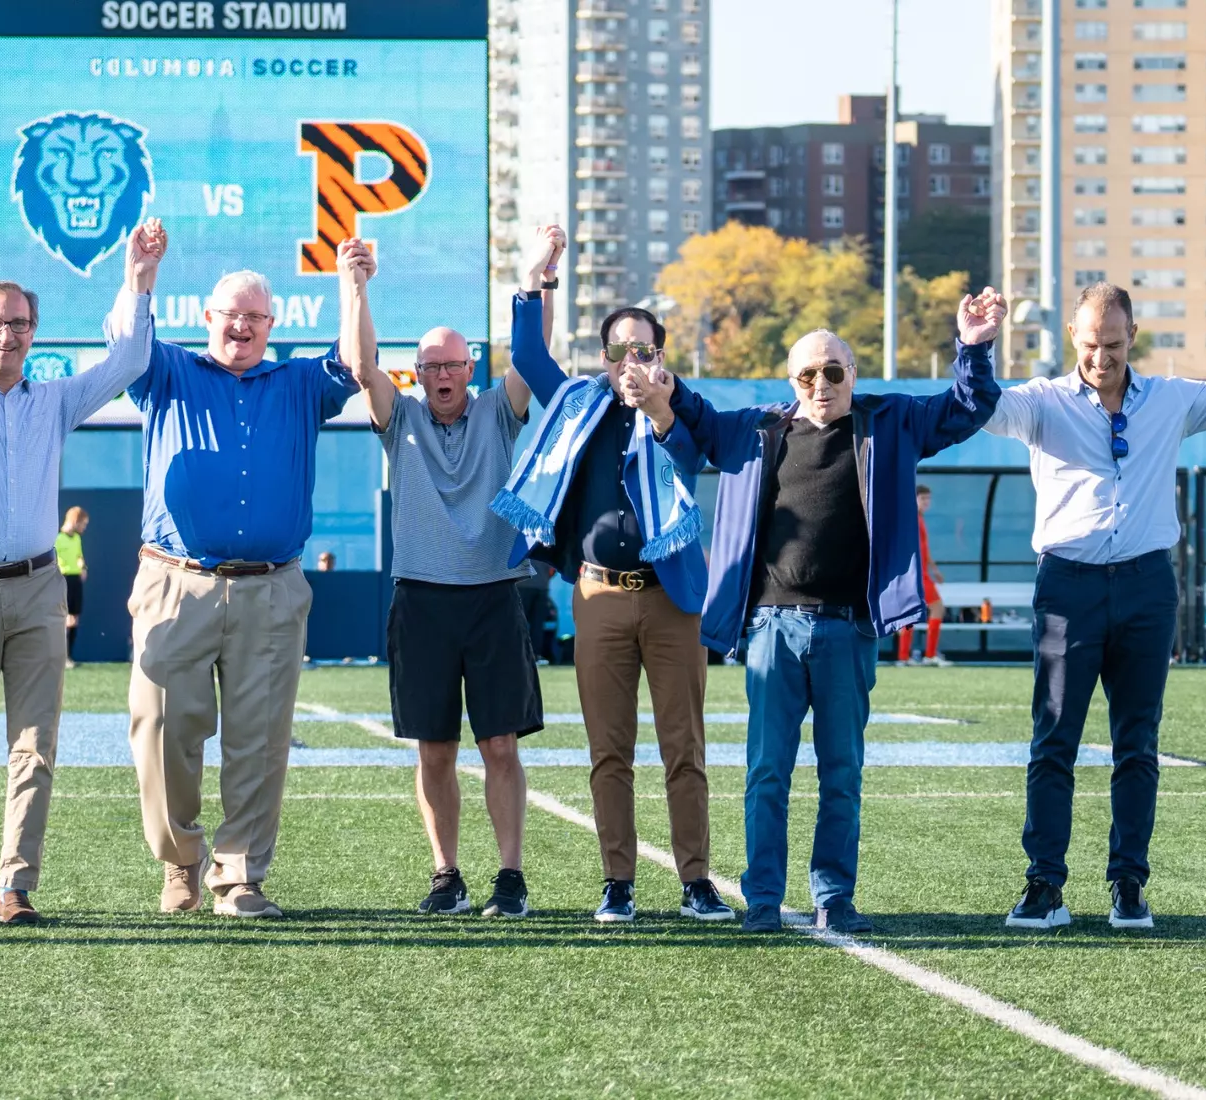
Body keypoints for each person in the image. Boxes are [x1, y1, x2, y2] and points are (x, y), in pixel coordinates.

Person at [653, 290, 1006, 934]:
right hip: (771, 630)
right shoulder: (754, 430)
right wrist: (668, 383)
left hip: (849, 628)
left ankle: (834, 896)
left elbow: (967, 406)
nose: (822, 384)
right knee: (767, 773)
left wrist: (974, 348)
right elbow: (696, 418)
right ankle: (763, 900)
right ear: (791, 382)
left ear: (853, 374)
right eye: (808, 374)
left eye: (834, 371)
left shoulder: (891, 422)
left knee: (842, 773)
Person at [994, 278, 1206, 932]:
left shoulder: (1170, 400)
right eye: (1091, 345)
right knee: (1054, 739)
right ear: (1072, 336)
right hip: (1067, 585)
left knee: (1137, 742)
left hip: (1148, 587)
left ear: (1133, 337)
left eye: (1114, 345)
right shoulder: (1040, 403)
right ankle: (1044, 885)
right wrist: (975, 349)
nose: (1101, 358)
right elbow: (982, 407)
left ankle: (1128, 885)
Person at [0, 174, 161, 924]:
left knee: (35, 744)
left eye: (20, 324)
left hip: (37, 589)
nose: (7, 334)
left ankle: (14, 884)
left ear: (33, 333)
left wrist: (138, 280)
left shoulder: (53, 400)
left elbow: (126, 364)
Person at [121, 235, 373, 919]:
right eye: (231, 314)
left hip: (271, 587)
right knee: (160, 728)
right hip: (175, 581)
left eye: (255, 317)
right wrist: (141, 277)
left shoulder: (298, 383)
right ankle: (180, 861)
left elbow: (358, 364)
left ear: (271, 325)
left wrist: (353, 287)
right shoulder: (168, 370)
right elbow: (126, 346)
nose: (242, 325)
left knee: (259, 741)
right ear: (207, 318)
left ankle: (239, 878)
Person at [491, 225, 732, 925]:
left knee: (684, 749)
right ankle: (618, 882)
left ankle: (696, 881)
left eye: (645, 350)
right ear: (604, 357)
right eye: (622, 350)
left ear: (661, 356)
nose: (633, 361)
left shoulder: (681, 411)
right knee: (609, 752)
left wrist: (658, 406)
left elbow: (685, 457)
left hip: (671, 600)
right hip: (597, 595)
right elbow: (527, 354)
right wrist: (537, 277)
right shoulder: (577, 402)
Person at [354, 242, 543, 918]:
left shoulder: (496, 412)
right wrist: (356, 286)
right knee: (434, 749)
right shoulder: (399, 418)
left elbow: (532, 361)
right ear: (417, 373)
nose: (442, 375)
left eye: (453, 364)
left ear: (470, 369)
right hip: (422, 598)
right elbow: (362, 366)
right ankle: (447, 874)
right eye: (431, 365)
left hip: (493, 594)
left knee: (500, 745)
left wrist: (536, 282)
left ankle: (511, 876)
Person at [896, 485, 950, 667]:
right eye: (923, 498)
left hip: (920, 574)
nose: (927, 502)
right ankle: (929, 655)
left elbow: (923, 549)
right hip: (916, 575)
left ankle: (904, 657)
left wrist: (934, 569)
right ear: (914, 499)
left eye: (928, 499)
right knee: (937, 607)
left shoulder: (918, 518)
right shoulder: (911, 519)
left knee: (910, 612)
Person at [56, 506, 89, 669]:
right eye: (83, 523)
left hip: (76, 580)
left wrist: (83, 567)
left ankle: (69, 656)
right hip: (64, 579)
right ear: (75, 521)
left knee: (74, 617)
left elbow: (79, 556)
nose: (84, 527)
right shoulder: (58, 538)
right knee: (65, 618)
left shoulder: (76, 538)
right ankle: (60, 656)